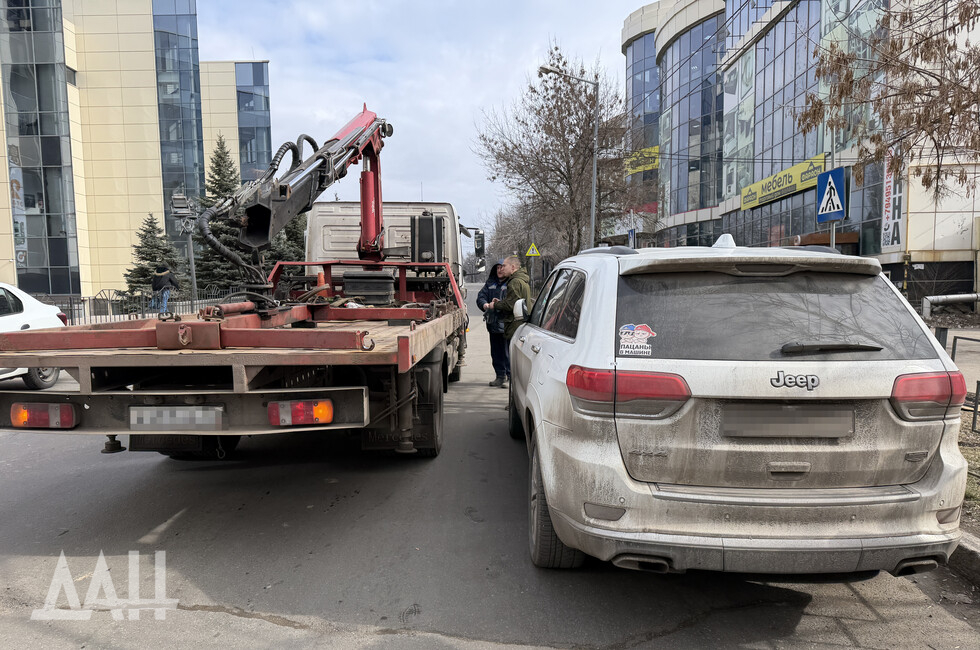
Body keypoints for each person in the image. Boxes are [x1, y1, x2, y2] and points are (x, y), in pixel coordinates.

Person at [491, 255, 533, 368]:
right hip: (522, 325)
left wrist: (495, 304)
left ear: (513, 267)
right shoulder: (522, 280)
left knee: (514, 363)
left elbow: (511, 305)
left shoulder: (514, 282)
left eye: (504, 266)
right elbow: (516, 301)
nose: (502, 268)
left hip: (515, 326)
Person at [477, 261, 509, 387]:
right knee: (496, 352)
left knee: (507, 353)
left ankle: (509, 376)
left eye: (502, 268)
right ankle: (500, 376)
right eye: (498, 268)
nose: (500, 270)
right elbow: (481, 297)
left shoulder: (511, 284)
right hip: (493, 324)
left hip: (507, 325)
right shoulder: (490, 283)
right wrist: (485, 304)